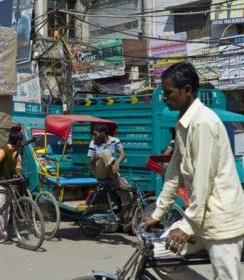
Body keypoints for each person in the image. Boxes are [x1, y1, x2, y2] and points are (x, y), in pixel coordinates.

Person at [143, 62, 244, 280]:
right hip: (198, 215)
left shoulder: (203, 123)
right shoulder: (183, 122)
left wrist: (187, 226)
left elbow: (202, 179)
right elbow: (173, 175)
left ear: (187, 90)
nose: (164, 98)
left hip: (221, 218)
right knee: (158, 254)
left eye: (168, 93)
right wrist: (157, 213)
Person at [0, 130, 23, 245]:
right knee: (0, 211)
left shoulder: (15, 152)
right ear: (16, 141)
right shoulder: (3, 151)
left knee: (6, 211)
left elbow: (17, 165)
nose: (21, 143)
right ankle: (1, 237)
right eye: (20, 141)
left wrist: (19, 174)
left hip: (8, 184)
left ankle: (2, 232)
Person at [87, 124, 131, 207]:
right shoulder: (93, 142)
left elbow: (123, 153)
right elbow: (91, 163)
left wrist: (117, 163)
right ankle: (114, 168)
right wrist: (97, 157)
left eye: (95, 134)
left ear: (103, 133)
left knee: (127, 193)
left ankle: (127, 214)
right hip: (99, 172)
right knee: (105, 152)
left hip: (111, 170)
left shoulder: (114, 140)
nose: (94, 136)